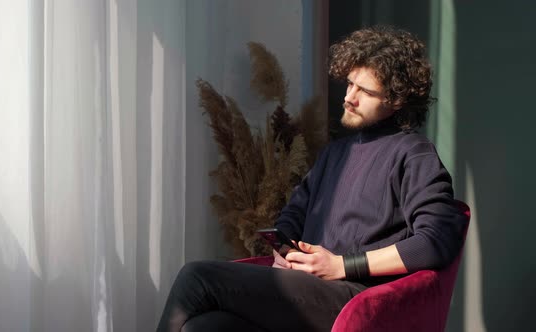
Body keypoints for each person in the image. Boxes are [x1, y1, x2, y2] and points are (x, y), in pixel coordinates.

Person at [157, 25, 468, 332]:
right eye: (349, 85)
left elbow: (435, 242)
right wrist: (287, 251)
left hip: (358, 298)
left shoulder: (414, 153)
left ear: (397, 100)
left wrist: (342, 266)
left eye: (365, 91)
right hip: (308, 287)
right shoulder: (336, 153)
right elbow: (293, 215)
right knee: (204, 326)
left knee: (196, 277)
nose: (349, 98)